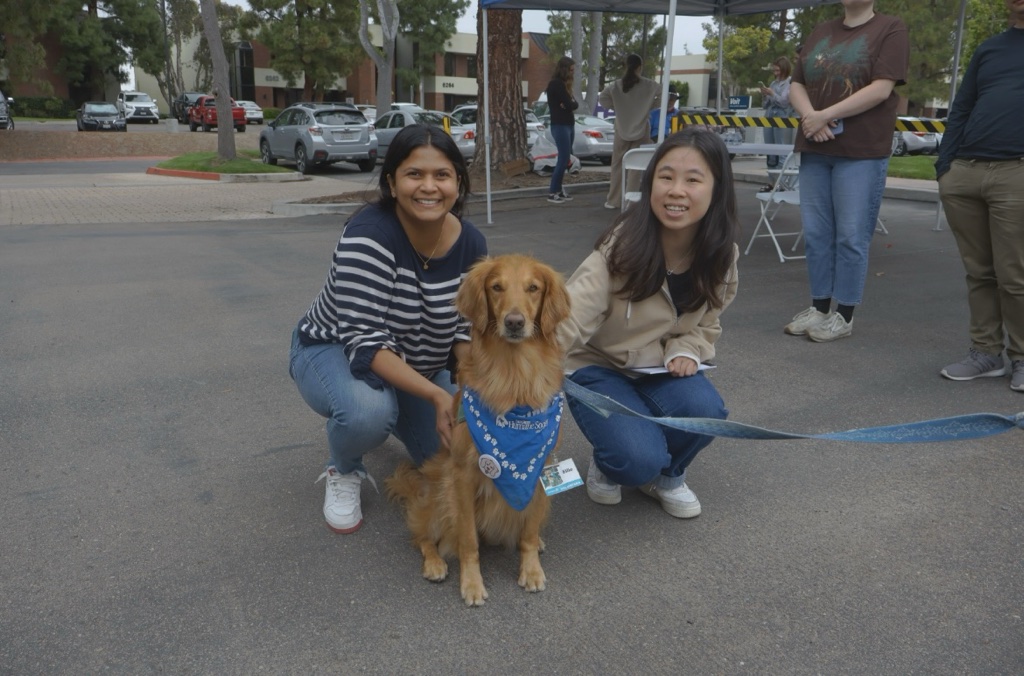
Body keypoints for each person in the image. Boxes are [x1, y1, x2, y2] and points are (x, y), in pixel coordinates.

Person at [288, 124, 488, 534]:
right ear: (392, 183)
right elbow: (366, 340)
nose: (429, 186)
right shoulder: (369, 236)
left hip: (417, 363)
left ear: (458, 184)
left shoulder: (471, 243)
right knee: (367, 413)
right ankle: (344, 467)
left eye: (442, 175)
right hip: (334, 351)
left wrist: (467, 392)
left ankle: (399, 406)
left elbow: (467, 328)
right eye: (414, 174)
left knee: (460, 448)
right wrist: (436, 395)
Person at [558, 128, 740, 519]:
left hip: (658, 366)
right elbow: (569, 315)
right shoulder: (621, 247)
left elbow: (708, 323)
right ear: (650, 182)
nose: (676, 190)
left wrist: (687, 349)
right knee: (633, 458)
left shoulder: (722, 255)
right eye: (666, 176)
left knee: (705, 408)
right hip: (596, 365)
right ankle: (615, 461)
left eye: (693, 179)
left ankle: (668, 474)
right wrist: (527, 373)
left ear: (716, 189)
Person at [784, 0, 909, 343]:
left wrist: (825, 115)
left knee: (851, 236)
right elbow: (797, 83)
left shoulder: (890, 28)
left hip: (861, 150)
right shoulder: (821, 31)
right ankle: (820, 307)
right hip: (815, 145)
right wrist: (812, 117)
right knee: (817, 234)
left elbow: (882, 88)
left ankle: (844, 314)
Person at [935, 0, 1024, 393]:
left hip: (1016, 172)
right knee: (979, 272)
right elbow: (963, 107)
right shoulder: (990, 48)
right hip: (966, 172)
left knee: (1015, 276)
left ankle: (1022, 356)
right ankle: (987, 353)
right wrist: (945, 167)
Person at [599, 53, 662, 210]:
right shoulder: (650, 85)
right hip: (642, 129)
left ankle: (614, 200)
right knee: (636, 166)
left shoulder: (615, 86)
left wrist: (617, 108)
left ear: (624, 67)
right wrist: (648, 107)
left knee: (617, 165)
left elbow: (603, 100)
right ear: (640, 67)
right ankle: (630, 201)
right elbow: (663, 97)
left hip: (621, 128)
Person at [545, 56, 579, 205]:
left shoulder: (565, 85)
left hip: (568, 124)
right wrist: (569, 104)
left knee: (566, 158)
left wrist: (569, 103)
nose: (573, 73)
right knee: (563, 158)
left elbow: (573, 104)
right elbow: (570, 104)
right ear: (565, 69)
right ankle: (553, 191)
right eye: (571, 70)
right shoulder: (556, 85)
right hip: (560, 125)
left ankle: (558, 189)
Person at [758, 56, 797, 170]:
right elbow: (765, 105)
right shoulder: (773, 83)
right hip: (769, 115)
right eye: (774, 70)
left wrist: (772, 94)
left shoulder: (790, 82)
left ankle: (782, 183)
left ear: (785, 69)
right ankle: (771, 181)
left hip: (782, 116)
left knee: (781, 149)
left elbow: (784, 102)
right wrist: (765, 95)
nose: (776, 73)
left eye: (778, 70)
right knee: (769, 150)